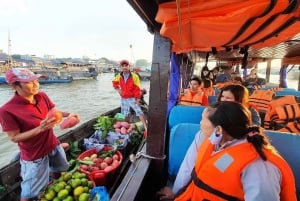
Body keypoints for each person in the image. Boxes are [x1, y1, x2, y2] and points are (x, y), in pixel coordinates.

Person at [157, 101, 296, 201]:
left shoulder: (258, 166)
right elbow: (206, 181)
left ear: (218, 130)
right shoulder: (221, 147)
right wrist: (176, 194)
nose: (199, 124)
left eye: (203, 120)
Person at [0, 68, 80, 201]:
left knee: (59, 168)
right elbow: (14, 137)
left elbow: (55, 112)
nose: (36, 84)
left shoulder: (42, 96)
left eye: (36, 80)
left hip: (53, 144)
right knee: (29, 192)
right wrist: (39, 129)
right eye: (30, 82)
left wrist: (69, 115)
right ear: (14, 85)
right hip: (34, 155)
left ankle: (56, 185)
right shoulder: (6, 110)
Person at [112, 59, 147, 129]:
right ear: (121, 67)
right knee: (125, 113)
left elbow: (137, 88)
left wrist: (137, 99)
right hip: (124, 98)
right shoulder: (119, 76)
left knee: (139, 112)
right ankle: (127, 126)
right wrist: (118, 90)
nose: (124, 67)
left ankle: (146, 127)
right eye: (123, 66)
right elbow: (114, 83)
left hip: (132, 97)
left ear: (129, 66)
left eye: (126, 65)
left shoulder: (134, 76)